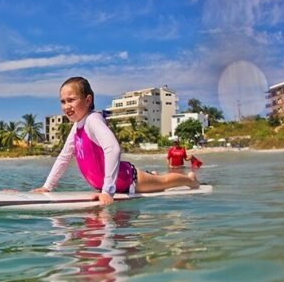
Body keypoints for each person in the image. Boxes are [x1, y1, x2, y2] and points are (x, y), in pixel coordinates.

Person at [32, 77, 199, 205]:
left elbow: (113, 148)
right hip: (114, 184)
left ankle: (190, 180)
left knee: (164, 182)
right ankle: (153, 174)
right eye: (63, 101)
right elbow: (63, 157)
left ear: (88, 100)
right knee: (159, 180)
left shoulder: (93, 120)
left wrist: (107, 191)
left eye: (71, 100)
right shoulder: (77, 127)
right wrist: (47, 187)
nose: (66, 106)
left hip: (128, 180)